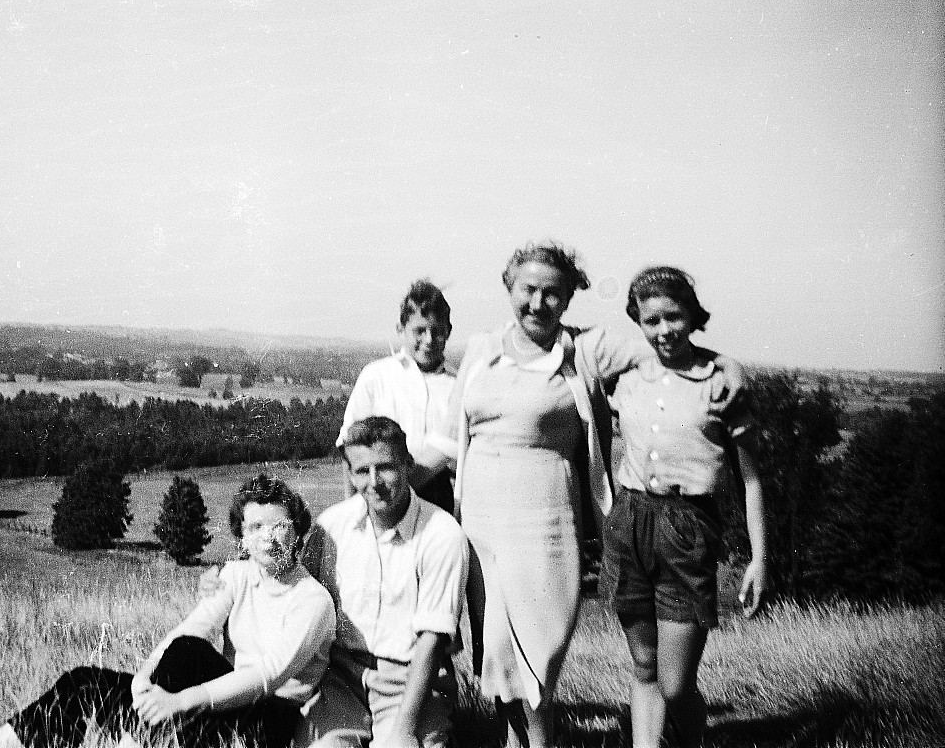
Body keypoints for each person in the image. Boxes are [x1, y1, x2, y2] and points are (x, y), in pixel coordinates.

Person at [449, 241, 746, 748]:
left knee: (541, 647)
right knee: (495, 649)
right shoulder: (480, 350)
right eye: (528, 290)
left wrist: (728, 368)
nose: (538, 303)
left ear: (569, 299)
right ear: (509, 289)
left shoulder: (585, 349)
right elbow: (448, 427)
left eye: (552, 293)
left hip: (546, 520)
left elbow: (668, 346)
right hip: (480, 519)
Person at [0, 474, 336, 748]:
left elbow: (266, 676)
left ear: (298, 532)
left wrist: (178, 701)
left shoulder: (312, 601)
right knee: (83, 683)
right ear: (241, 537)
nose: (269, 539)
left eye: (280, 526)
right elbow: (193, 625)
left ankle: (135, 740)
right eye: (256, 527)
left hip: (262, 721)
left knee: (189, 653)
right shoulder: (237, 575)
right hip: (207, 703)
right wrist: (143, 680)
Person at [601, 266, 768, 748]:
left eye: (674, 316)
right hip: (630, 522)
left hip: (688, 527)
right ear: (638, 322)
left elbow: (752, 479)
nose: (664, 330)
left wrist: (760, 558)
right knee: (644, 667)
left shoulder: (722, 383)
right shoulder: (625, 377)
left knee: (675, 684)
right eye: (651, 320)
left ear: (693, 315)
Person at [298, 416, 468, 748]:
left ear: (408, 464)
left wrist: (404, 731)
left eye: (386, 467)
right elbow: (295, 593)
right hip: (341, 678)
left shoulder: (441, 533)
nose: (374, 482)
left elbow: (431, 643)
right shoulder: (331, 526)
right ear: (350, 474)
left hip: (410, 681)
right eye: (362, 471)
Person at [337, 279, 456, 513]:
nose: (429, 340)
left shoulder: (457, 385)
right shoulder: (377, 376)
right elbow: (348, 444)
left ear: (448, 331)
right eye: (419, 331)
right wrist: (352, 510)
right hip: (379, 494)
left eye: (438, 331)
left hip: (438, 500)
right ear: (400, 329)